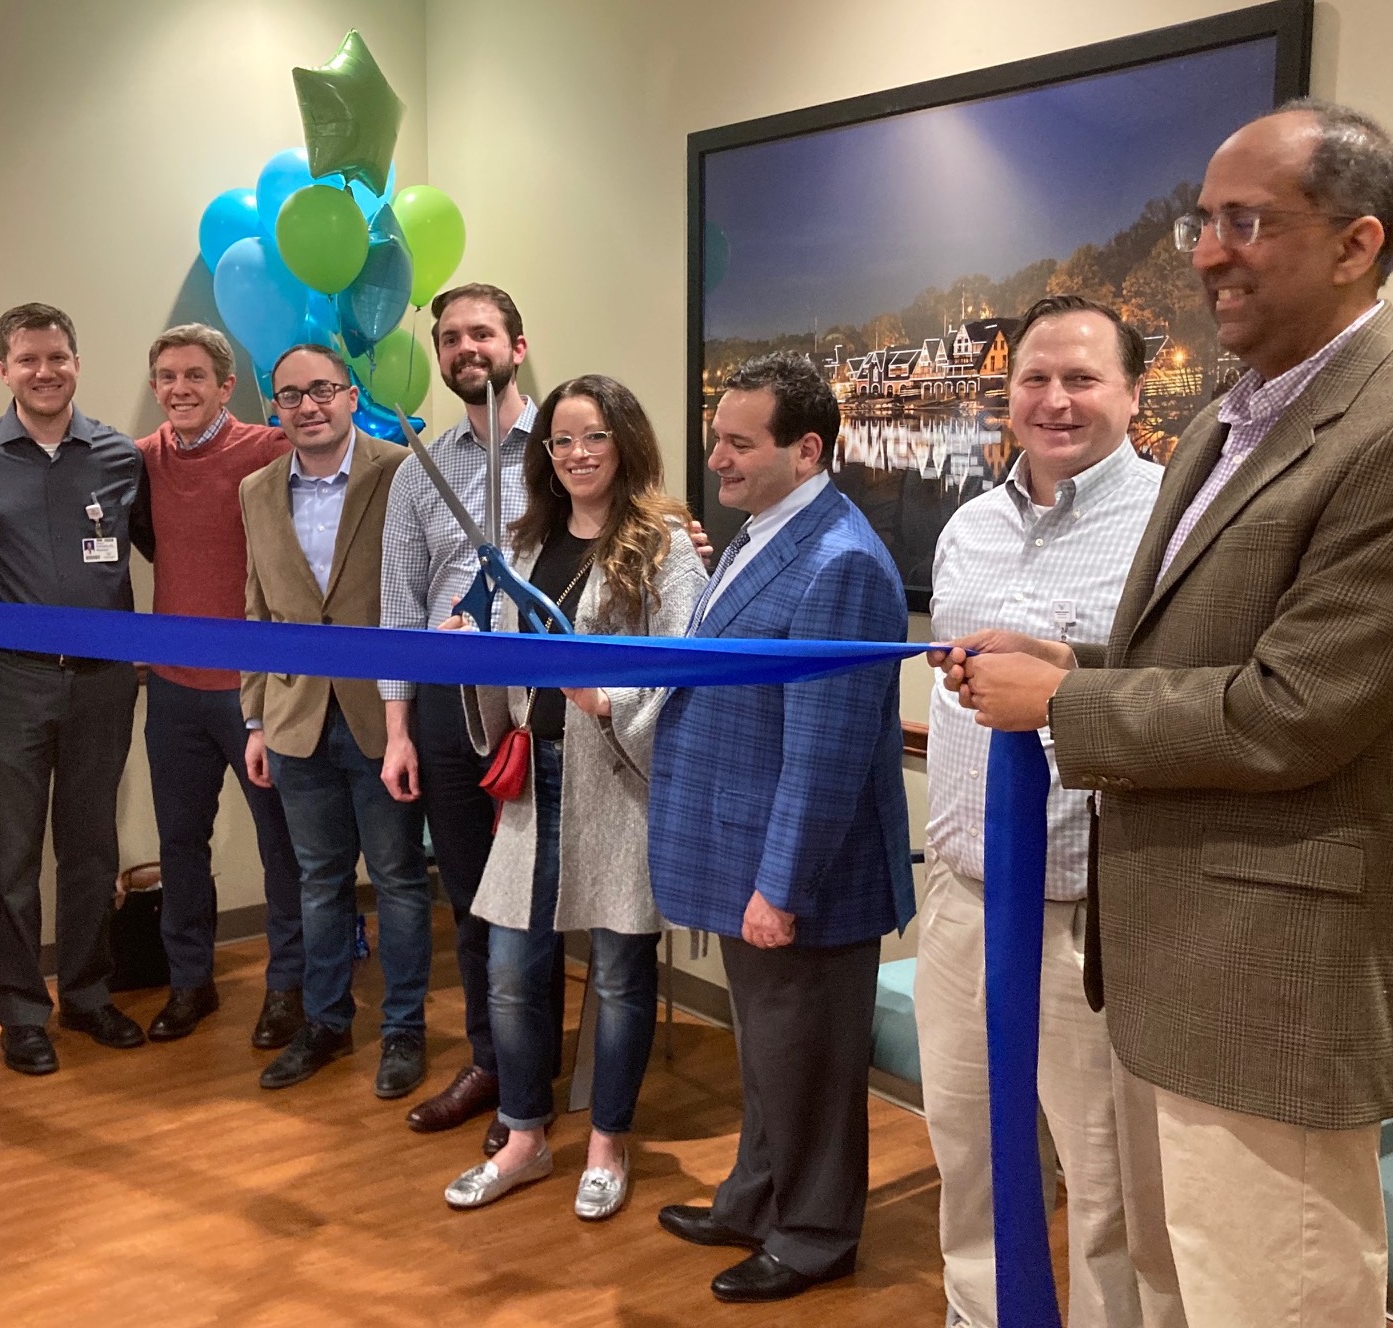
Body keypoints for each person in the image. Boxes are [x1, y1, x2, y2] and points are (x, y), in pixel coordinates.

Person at [945, 100, 1393, 1327]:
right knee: (1174, 1283)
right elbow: (1199, 649)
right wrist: (1079, 656)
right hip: (1162, 957)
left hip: (1273, 978)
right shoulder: (1226, 415)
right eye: (1199, 219)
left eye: (1244, 221)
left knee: (1277, 1295)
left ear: (1355, 242)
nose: (1204, 250)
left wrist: (1063, 698)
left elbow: (1292, 707)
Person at [649, 351, 911, 1303]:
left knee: (808, 1064)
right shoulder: (766, 532)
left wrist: (780, 888)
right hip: (743, 850)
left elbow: (827, 752)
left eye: (735, 442)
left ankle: (811, 1236)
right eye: (716, 438)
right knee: (769, 1054)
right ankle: (754, 1197)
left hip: (799, 876)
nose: (714, 458)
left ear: (806, 451)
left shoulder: (840, 563)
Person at [917, 297, 1159, 1328]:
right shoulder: (965, 526)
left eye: (1081, 379)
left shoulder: (1166, 525)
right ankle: (977, 1314)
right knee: (965, 1148)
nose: (1053, 400)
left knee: (1105, 1183)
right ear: (1005, 392)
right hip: (963, 899)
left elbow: (1162, 705)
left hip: (1084, 917)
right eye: (1031, 379)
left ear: (1133, 396)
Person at [438, 375, 706, 1220]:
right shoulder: (525, 542)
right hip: (533, 781)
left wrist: (610, 701)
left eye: (591, 436)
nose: (576, 453)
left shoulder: (664, 541)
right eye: (559, 440)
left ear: (623, 441)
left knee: (621, 974)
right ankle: (523, 1136)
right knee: (513, 973)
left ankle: (606, 1144)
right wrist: (470, 648)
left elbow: (684, 662)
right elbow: (510, 657)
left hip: (618, 786)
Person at [0, 303, 146, 1075]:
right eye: (27, 359)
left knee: (92, 848)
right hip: (13, 683)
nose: (44, 372)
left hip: (103, 681)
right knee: (15, 853)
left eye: (57, 357)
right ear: (2, 369)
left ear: (76, 362)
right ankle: (22, 1010)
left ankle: (90, 994)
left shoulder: (120, 454)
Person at [377, 284, 550, 1151]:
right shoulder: (420, 467)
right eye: (449, 338)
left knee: (537, 900)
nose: (464, 348)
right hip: (450, 714)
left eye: (481, 333)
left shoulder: (566, 448)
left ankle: (535, 1079)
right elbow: (397, 605)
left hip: (545, 706)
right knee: (474, 898)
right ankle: (492, 1063)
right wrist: (399, 729)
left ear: (517, 346)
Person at [240, 344, 431, 1099]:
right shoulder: (255, 489)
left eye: (322, 389)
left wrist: (407, 720)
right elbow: (255, 605)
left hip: (381, 715)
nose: (308, 405)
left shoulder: (399, 472)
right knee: (318, 882)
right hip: (293, 720)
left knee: (397, 881)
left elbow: (416, 591)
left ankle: (403, 1032)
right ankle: (326, 1023)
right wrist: (253, 717)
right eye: (290, 395)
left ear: (351, 396)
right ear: (274, 409)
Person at [128, 324, 305, 1050]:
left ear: (225, 386)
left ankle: (289, 989)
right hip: (172, 688)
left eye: (194, 376)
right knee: (180, 845)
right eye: (167, 377)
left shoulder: (267, 450)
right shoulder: (138, 460)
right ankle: (189, 982)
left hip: (255, 690)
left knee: (282, 847)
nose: (179, 389)